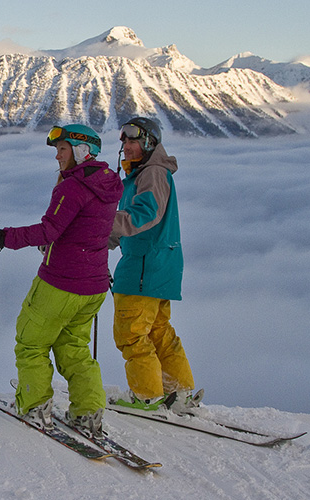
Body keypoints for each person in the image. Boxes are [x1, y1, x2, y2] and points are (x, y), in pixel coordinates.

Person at [0, 124, 123, 436]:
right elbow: (83, 228)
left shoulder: (73, 187)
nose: (57, 156)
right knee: (74, 347)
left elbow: (49, 230)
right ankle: (89, 412)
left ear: (83, 151)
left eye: (63, 149)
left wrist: (1, 236)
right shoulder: (109, 183)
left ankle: (34, 406)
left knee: (31, 342)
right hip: (94, 284)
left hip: (60, 283)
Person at [108, 117, 199, 414]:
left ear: (149, 143)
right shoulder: (148, 174)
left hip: (143, 269)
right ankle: (179, 393)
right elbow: (132, 225)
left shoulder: (152, 174)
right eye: (124, 141)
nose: (127, 146)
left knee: (132, 335)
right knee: (159, 331)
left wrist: (96, 222)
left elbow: (144, 215)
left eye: (133, 141)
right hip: (159, 266)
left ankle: (146, 397)